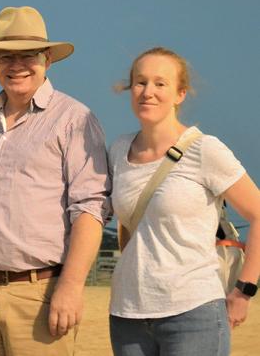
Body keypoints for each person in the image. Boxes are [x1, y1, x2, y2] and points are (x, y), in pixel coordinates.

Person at [0, 6, 111, 355]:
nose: (16, 65)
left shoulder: (74, 119)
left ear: (47, 59)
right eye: (6, 56)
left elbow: (91, 207)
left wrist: (70, 287)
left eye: (28, 55)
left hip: (39, 294)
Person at [108, 47, 260, 356]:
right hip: (126, 316)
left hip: (194, 313)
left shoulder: (205, 150)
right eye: (140, 82)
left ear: (180, 94)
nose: (147, 92)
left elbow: (258, 213)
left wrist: (244, 291)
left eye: (160, 83)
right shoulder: (118, 149)